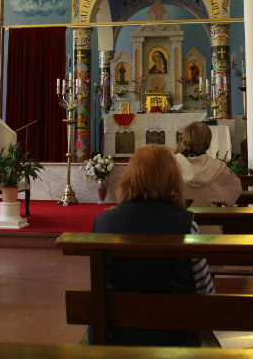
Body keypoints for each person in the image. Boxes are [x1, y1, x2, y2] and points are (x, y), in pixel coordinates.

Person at [89, 144, 214, 346]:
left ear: (131, 175)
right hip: (174, 338)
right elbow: (204, 290)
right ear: (172, 176)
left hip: (115, 337)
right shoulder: (185, 222)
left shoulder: (103, 222)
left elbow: (101, 283)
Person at [175, 121, 241, 211]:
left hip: (179, 224)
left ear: (184, 138)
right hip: (209, 224)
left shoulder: (170, 165)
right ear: (208, 143)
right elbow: (235, 191)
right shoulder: (218, 168)